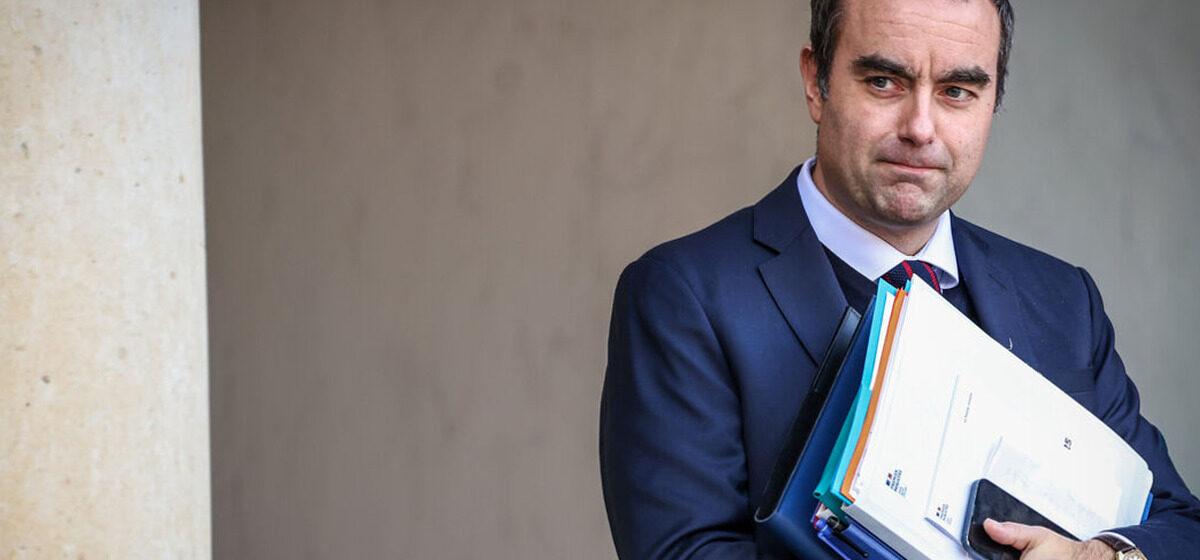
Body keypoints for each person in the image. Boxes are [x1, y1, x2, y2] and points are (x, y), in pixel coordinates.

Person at [599, 0, 1200, 558]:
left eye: (957, 91)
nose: (920, 127)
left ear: (993, 101)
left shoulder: (1066, 301)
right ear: (815, 82)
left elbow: (1179, 522)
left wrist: (1102, 555)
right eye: (884, 81)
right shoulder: (683, 296)